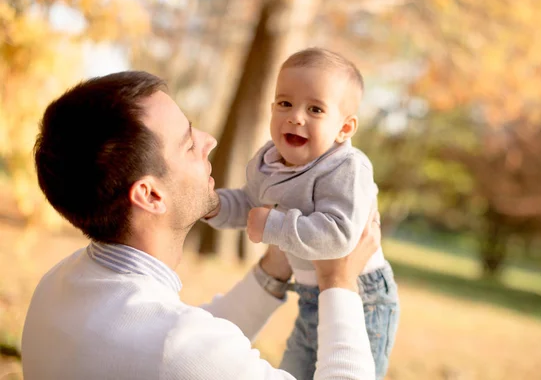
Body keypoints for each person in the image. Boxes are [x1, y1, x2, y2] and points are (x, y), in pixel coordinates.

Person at [21, 70, 383, 380]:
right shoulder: (173, 347)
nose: (208, 141)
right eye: (188, 143)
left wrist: (274, 269)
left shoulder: (58, 284)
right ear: (150, 195)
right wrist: (338, 280)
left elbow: (192, 344)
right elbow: (186, 351)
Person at [202, 48, 400, 380]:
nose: (296, 116)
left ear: (344, 128)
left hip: (362, 300)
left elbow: (338, 236)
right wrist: (214, 206)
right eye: (285, 103)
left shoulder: (346, 168)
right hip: (311, 296)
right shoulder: (269, 162)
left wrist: (275, 226)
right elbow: (250, 205)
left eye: (315, 109)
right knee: (293, 370)